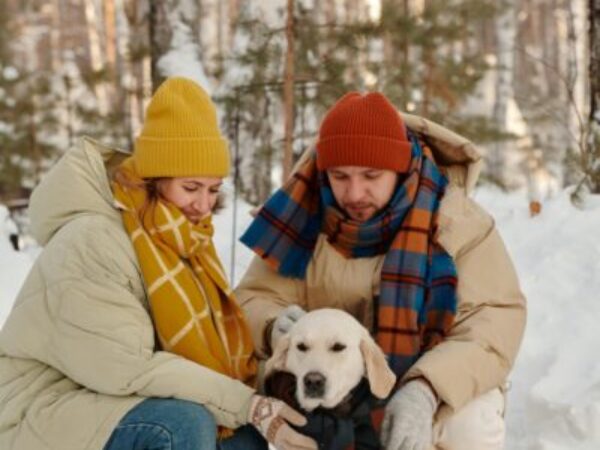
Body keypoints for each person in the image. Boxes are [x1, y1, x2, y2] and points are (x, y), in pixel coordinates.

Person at [0, 77, 317, 450]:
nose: (202, 206)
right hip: (40, 409)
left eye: (213, 191)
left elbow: (213, 352)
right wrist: (243, 403)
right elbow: (124, 367)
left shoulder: (180, 238)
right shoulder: (94, 241)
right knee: (183, 424)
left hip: (107, 398)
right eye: (190, 188)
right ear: (155, 180)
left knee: (243, 438)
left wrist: (274, 355)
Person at [236, 92, 527, 450]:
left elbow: (491, 325)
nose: (354, 192)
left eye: (371, 175)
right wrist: (272, 324)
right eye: (340, 176)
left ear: (400, 167)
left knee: (471, 424)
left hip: (425, 380)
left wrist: (427, 388)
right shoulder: (300, 216)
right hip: (326, 379)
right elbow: (251, 298)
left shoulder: (460, 224)